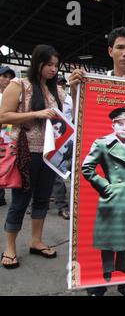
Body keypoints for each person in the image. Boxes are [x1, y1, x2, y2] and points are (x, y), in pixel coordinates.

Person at [69, 26, 125, 296]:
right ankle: (98, 282)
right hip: (111, 192)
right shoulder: (94, 85)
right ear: (110, 51)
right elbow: (81, 124)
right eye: (120, 47)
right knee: (109, 236)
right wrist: (75, 92)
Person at [0, 44, 66, 269]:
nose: (53, 69)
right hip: (25, 153)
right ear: (37, 63)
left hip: (49, 155)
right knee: (20, 200)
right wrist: (37, 113)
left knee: (41, 198)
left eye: (56, 65)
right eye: (49, 64)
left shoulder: (55, 90)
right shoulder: (19, 85)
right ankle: (9, 247)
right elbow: (4, 116)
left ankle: (36, 241)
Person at [82, 107, 125, 284]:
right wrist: (106, 187)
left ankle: (122, 265)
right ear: (113, 125)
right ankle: (107, 269)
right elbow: (87, 168)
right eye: (120, 124)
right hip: (112, 195)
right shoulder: (102, 144)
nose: (124, 128)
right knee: (110, 233)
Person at [52, 77, 72, 220]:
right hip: (51, 139)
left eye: (62, 85)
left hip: (68, 140)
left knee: (63, 173)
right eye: (58, 84)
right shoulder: (48, 99)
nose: (60, 87)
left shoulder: (70, 100)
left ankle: (63, 206)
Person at [0, 66, 16, 206]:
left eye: (10, 77)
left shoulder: (14, 96)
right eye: (4, 77)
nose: (7, 80)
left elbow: (11, 121)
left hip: (7, 138)